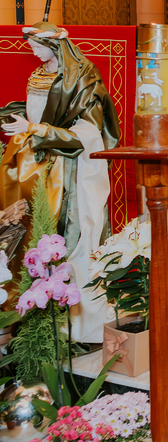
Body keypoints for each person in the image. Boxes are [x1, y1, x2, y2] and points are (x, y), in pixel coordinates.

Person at [0, 22, 120, 344]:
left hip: (68, 170)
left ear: (54, 45)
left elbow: (88, 133)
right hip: (32, 166)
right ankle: (29, 317)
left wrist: (36, 130)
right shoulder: (39, 73)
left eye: (37, 47)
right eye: (31, 47)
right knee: (25, 234)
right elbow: (36, 113)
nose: (33, 52)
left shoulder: (83, 77)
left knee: (65, 237)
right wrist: (19, 121)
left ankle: (71, 326)